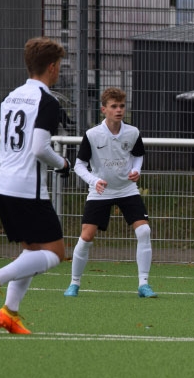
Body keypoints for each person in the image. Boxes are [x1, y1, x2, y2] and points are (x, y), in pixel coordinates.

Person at [0, 36, 72, 334]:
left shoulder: (12, 96)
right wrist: (63, 164)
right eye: (59, 65)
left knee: (32, 250)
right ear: (52, 67)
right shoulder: (47, 101)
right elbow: (40, 148)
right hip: (28, 188)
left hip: (4, 186)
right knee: (55, 253)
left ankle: (10, 311)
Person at [64, 87, 156, 298]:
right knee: (86, 236)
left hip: (127, 189)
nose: (119, 110)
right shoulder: (92, 135)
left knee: (144, 231)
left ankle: (143, 284)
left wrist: (136, 170)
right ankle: (74, 283)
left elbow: (138, 156)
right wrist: (94, 180)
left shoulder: (132, 132)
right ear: (103, 109)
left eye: (122, 106)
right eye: (114, 106)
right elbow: (79, 165)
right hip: (101, 192)